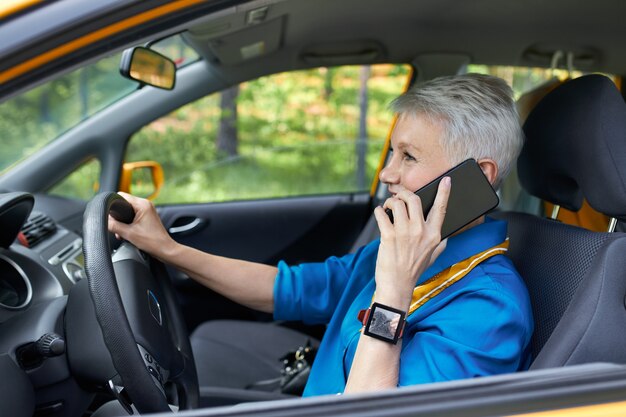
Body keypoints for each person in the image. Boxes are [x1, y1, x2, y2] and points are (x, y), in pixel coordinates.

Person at [109, 73, 534, 397]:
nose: (387, 173)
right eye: (391, 152)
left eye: (409, 156)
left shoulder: (488, 308)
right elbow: (283, 288)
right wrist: (168, 249)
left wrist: (393, 292)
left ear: (477, 177)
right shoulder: (395, 249)